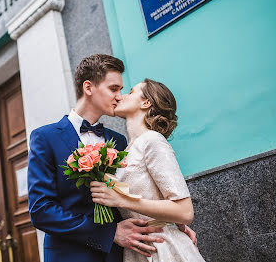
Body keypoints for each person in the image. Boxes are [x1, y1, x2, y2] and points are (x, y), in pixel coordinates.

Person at [28, 55, 196, 262]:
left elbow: (136, 191)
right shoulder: (45, 137)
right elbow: (41, 210)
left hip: (123, 255)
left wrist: (174, 224)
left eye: (122, 90)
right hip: (72, 255)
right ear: (89, 88)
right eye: (114, 89)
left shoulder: (120, 141)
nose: (119, 96)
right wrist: (109, 234)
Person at [90, 79, 205, 262]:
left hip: (165, 247)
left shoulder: (152, 140)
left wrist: (121, 199)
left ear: (146, 103)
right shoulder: (125, 152)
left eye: (131, 91)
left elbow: (185, 212)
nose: (121, 96)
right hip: (137, 250)